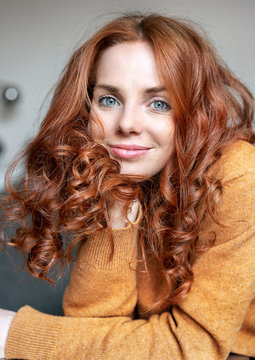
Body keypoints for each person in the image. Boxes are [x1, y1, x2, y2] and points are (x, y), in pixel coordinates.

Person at [0, 13, 255, 360]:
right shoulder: (112, 167)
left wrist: (13, 334)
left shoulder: (238, 172)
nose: (127, 124)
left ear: (195, 111)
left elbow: (195, 346)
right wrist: (118, 203)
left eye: (159, 103)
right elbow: (92, 327)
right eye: (109, 100)